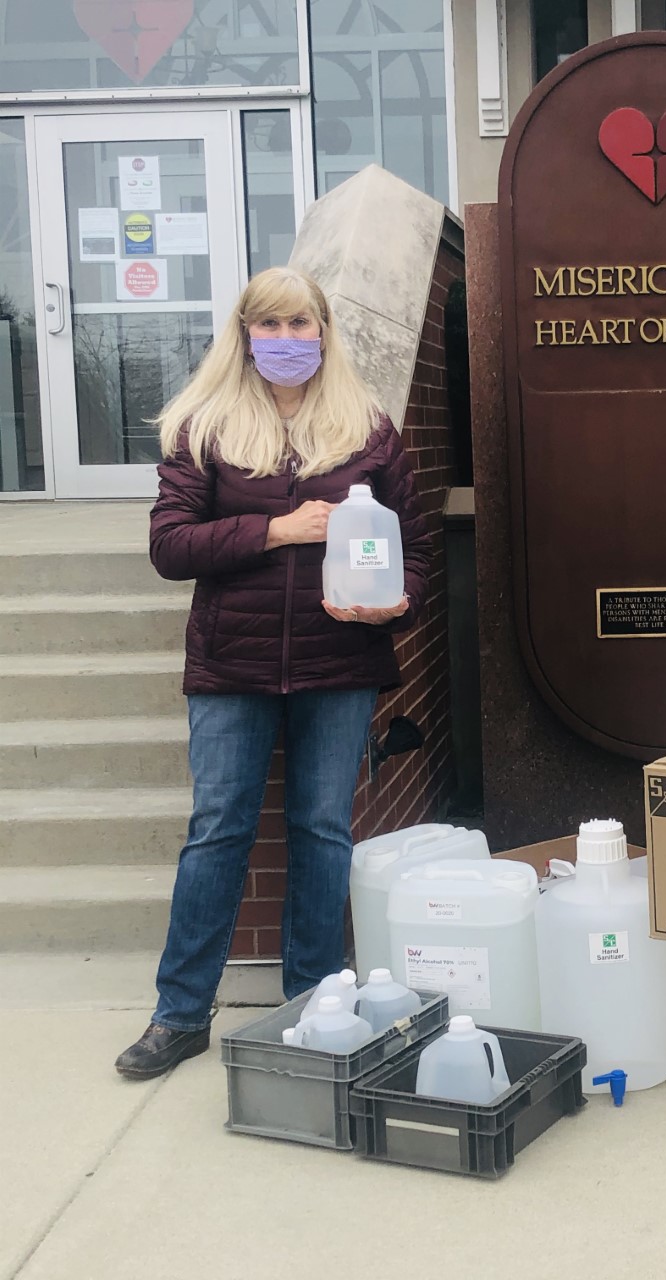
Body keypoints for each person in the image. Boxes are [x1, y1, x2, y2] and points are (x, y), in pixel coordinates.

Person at [115, 267, 431, 1079]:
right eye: (271, 326)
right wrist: (278, 530)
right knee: (217, 831)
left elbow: (418, 553)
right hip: (231, 663)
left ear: (325, 331)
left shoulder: (368, 428)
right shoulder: (204, 425)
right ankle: (180, 1013)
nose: (287, 341)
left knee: (324, 834)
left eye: (302, 324)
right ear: (245, 334)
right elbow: (169, 547)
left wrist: (394, 604)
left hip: (341, 663)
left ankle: (315, 1005)